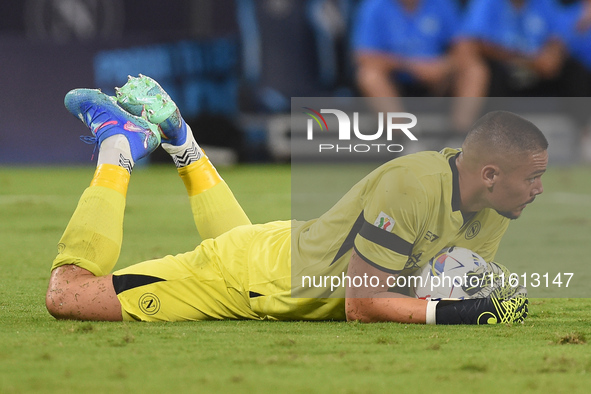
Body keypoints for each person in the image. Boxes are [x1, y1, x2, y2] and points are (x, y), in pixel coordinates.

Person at [46, 75, 545, 324]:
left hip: (282, 248)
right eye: (533, 178)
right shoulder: (413, 185)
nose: (539, 189)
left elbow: (434, 277)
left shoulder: (495, 204)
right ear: (491, 173)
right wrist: (452, 312)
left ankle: (180, 139)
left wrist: (468, 294)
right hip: (246, 280)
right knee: (66, 295)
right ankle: (118, 144)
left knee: (247, 242)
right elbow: (362, 305)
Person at [351, 0, 485, 133]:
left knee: (475, 70)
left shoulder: (442, 4)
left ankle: (461, 134)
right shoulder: (375, 6)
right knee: (369, 76)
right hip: (396, 80)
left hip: (439, 80)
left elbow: (464, 45)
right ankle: (403, 134)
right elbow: (364, 56)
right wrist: (411, 66)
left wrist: (444, 66)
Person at [453, 0, 576, 97]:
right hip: (503, 66)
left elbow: (559, 35)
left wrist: (552, 54)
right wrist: (527, 61)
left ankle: (583, 126)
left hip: (539, 68)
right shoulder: (487, 3)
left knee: (573, 69)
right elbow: (473, 41)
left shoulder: (545, 3)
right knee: (489, 71)